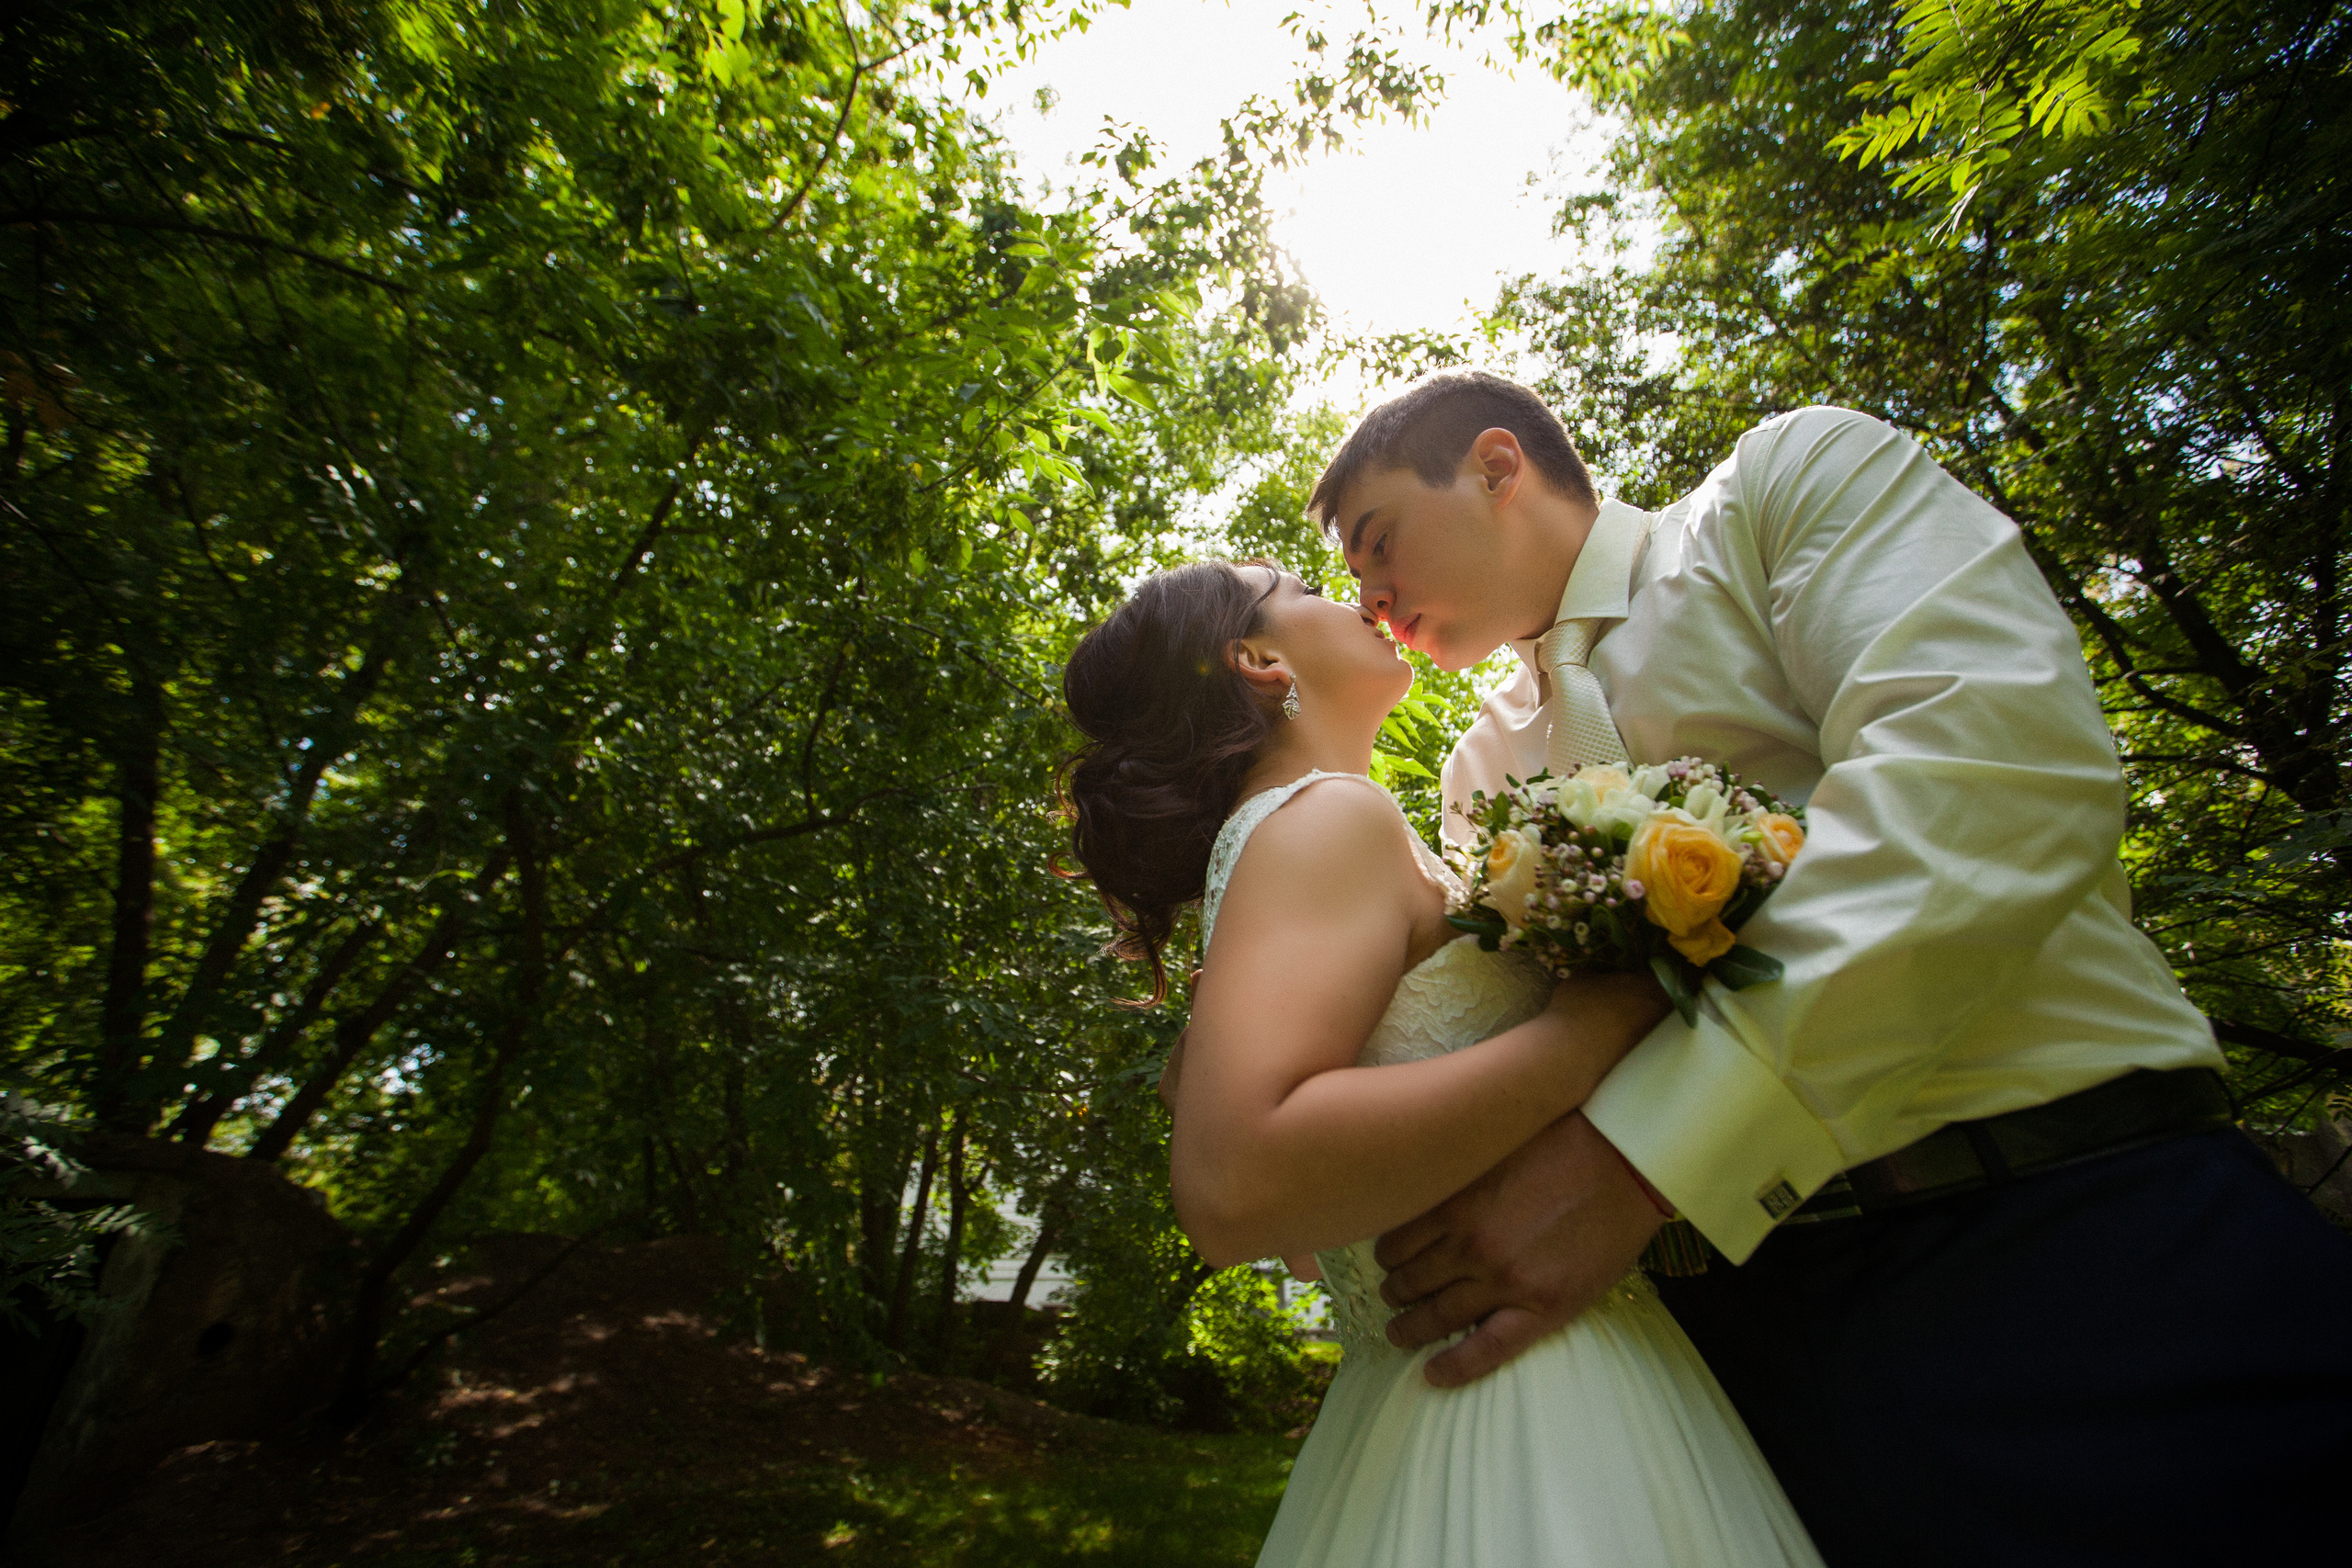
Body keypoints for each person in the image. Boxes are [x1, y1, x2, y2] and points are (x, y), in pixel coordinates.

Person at [1319, 370, 2352, 1564]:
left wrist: (1645, 1155)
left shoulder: (1787, 487)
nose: (1370, 598)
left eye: (1379, 540)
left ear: (1498, 466)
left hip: (2086, 1249)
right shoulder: (1476, 772)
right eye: (1351, 578)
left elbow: (1995, 766)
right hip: (1724, 1367)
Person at [1058, 560, 1824, 1566]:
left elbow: (1314, 1231)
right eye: (1300, 586)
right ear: (1257, 659)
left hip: (1482, 1369)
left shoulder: (1324, 833)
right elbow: (1233, 1187)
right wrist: (1593, 1025)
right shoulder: (1327, 816)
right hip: (1522, 1406)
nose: (1355, 595)